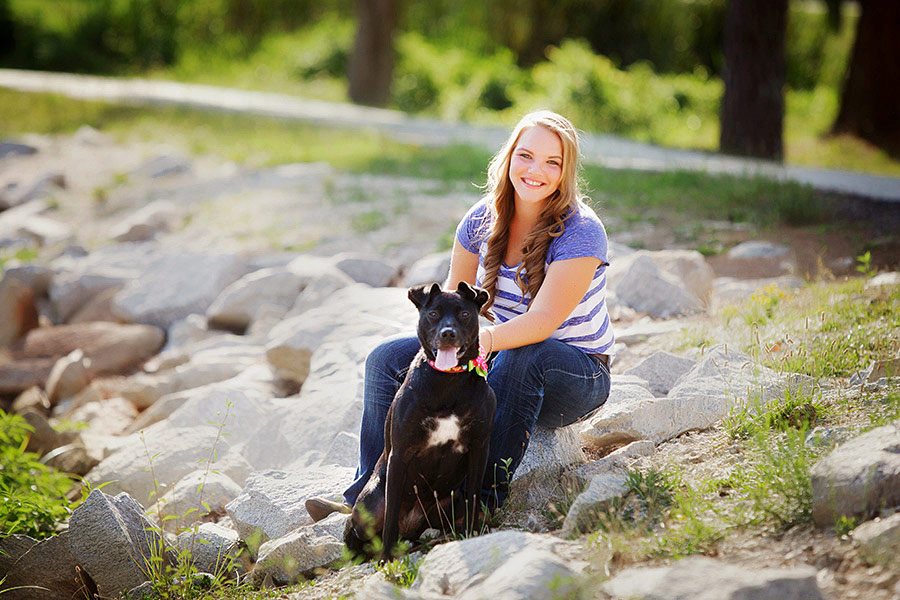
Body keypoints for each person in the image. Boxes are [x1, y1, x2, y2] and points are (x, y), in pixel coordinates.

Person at [306, 110, 613, 522]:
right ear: (508, 158)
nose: (536, 170)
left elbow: (543, 323)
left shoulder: (582, 231)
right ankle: (368, 497)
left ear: (565, 172)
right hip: (498, 355)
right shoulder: (480, 221)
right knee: (385, 359)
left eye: (552, 162)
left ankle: (478, 504)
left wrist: (480, 346)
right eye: (526, 155)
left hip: (576, 374)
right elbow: (450, 306)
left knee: (525, 356)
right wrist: (437, 353)